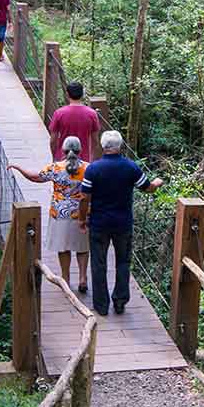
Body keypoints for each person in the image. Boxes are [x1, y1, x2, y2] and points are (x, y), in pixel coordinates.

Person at [78, 130, 163, 315]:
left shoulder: (93, 169)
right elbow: (147, 188)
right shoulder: (130, 167)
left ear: (102, 146)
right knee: (123, 261)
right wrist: (156, 182)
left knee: (98, 263)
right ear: (120, 146)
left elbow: (84, 197)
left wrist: (83, 219)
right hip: (123, 223)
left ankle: (101, 306)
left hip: (99, 223)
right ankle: (120, 301)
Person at [9, 136, 90, 297]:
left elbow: (35, 176)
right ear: (80, 151)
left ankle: (66, 278)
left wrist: (18, 167)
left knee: (63, 247)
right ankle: (82, 278)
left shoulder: (56, 168)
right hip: (82, 213)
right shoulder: (88, 168)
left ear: (63, 151)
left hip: (59, 214)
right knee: (83, 247)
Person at [49, 82, 101, 161]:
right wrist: (91, 159)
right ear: (82, 94)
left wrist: (54, 157)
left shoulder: (58, 113)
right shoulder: (92, 114)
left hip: (63, 158)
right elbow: (95, 141)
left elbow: (53, 140)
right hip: (84, 159)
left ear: (67, 94)